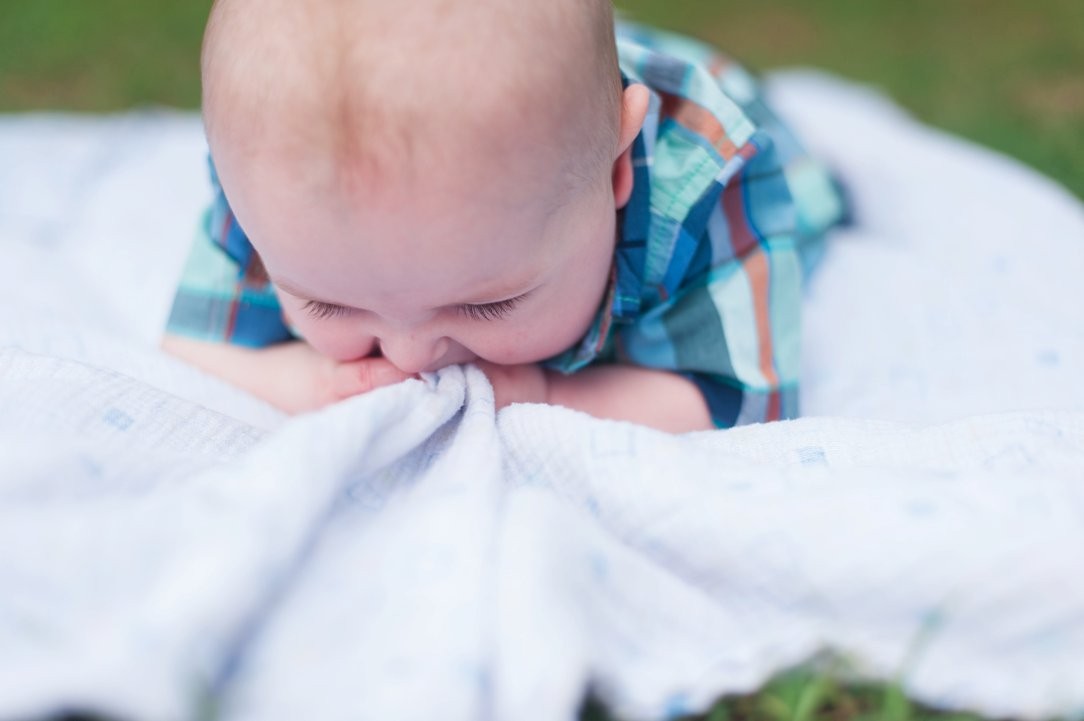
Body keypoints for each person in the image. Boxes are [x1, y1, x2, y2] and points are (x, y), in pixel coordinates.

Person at [162, 0, 846, 433]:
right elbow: (189, 350)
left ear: (616, 166)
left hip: (720, 116)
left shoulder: (700, 185)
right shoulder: (278, 178)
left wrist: (548, 394)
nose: (407, 356)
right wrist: (312, 381)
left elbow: (741, 401)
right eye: (329, 304)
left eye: (487, 306)